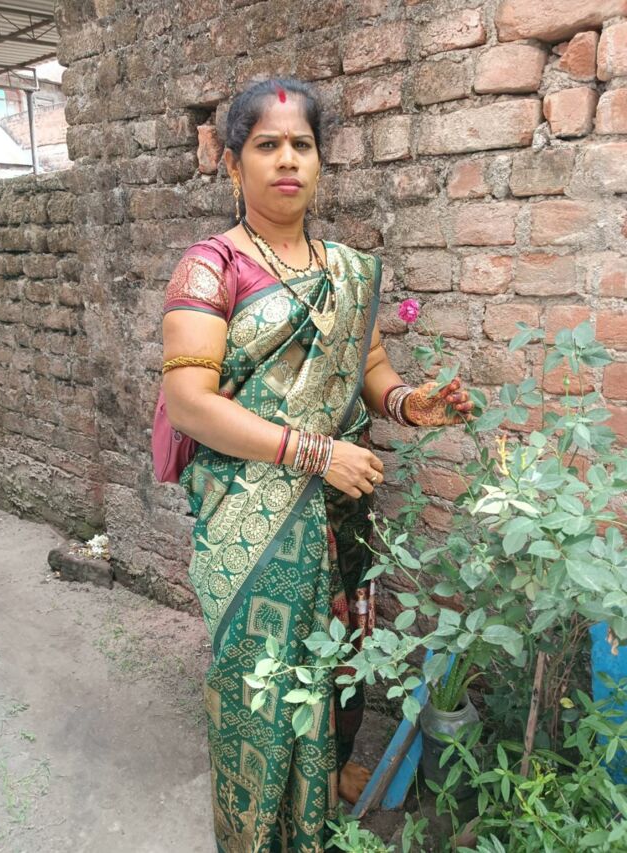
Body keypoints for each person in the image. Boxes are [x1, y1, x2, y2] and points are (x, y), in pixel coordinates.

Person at [160, 77, 473, 852]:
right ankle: (255, 831)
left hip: (339, 508)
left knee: (339, 664)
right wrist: (312, 452)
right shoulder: (210, 268)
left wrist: (408, 404)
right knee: (258, 685)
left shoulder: (347, 271)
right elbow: (190, 403)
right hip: (253, 517)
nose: (287, 159)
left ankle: (324, 789)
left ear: (321, 161)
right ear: (234, 163)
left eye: (302, 144)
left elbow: (369, 368)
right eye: (267, 144)